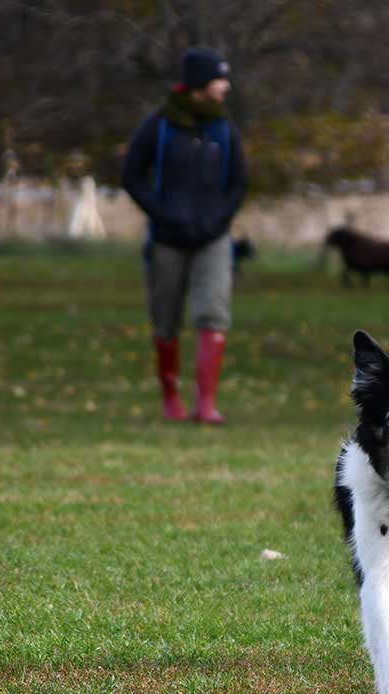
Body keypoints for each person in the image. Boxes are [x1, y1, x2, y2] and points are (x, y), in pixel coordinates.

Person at [121, 46, 247, 424]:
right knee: (166, 319)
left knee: (214, 313)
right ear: (197, 84)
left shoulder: (224, 129)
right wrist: (162, 215)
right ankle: (170, 399)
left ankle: (205, 403)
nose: (225, 86)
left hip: (213, 239)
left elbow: (239, 183)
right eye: (218, 78)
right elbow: (132, 176)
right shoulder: (159, 126)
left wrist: (219, 220)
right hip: (167, 239)